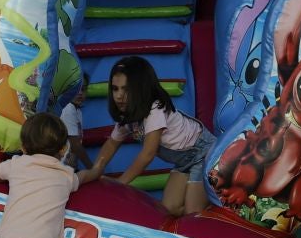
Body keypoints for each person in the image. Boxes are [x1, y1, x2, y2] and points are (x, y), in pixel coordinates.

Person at [77, 56, 215, 217]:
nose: (119, 96)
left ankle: (216, 209)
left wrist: (121, 182)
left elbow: (148, 153)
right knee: (169, 210)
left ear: (140, 88)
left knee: (193, 213)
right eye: (115, 89)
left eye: (126, 89)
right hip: (182, 161)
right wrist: (96, 171)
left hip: (201, 154)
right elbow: (112, 144)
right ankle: (208, 208)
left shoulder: (154, 109)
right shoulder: (128, 117)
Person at [59, 88, 86, 168]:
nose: (80, 93)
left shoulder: (78, 112)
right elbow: (75, 144)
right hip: (62, 164)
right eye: (76, 88)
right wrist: (91, 168)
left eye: (83, 89)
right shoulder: (68, 109)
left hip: (68, 164)